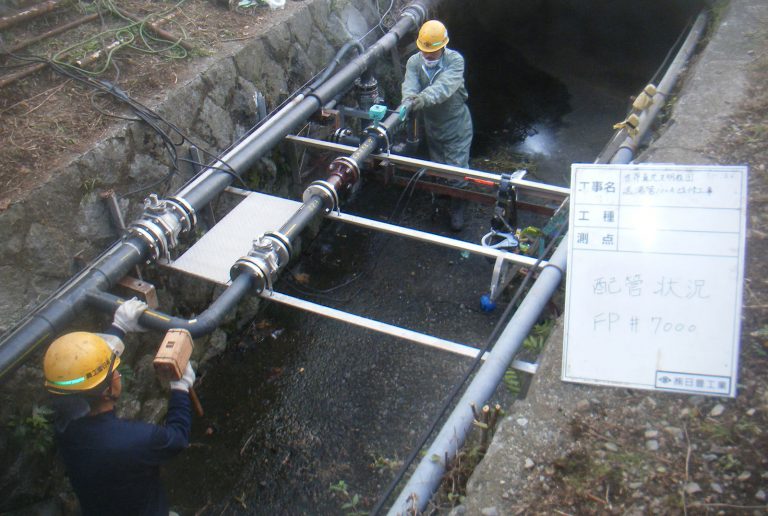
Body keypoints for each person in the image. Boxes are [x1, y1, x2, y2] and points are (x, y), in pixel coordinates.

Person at [43, 298, 194, 516]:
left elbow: (81, 371)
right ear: (107, 391)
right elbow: (177, 438)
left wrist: (119, 327)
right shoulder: (134, 440)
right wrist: (181, 388)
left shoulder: (63, 422)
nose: (118, 373)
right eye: (116, 371)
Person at [402, 19, 473, 231]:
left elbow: (444, 87)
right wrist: (407, 101)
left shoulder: (455, 62)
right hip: (432, 125)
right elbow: (410, 84)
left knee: (456, 168)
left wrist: (421, 99)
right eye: (423, 51)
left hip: (456, 126)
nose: (427, 56)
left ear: (443, 47)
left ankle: (459, 202)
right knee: (438, 163)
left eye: (431, 53)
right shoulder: (415, 62)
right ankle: (443, 193)